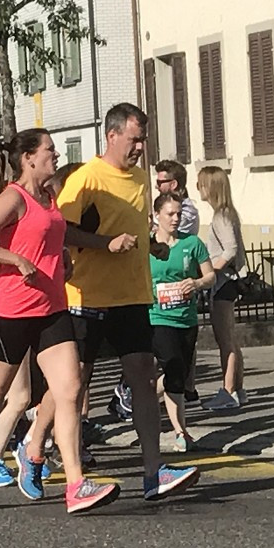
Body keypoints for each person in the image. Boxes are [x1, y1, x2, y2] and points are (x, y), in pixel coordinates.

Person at [0, 129, 119, 514]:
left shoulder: (48, 196)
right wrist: (15, 260)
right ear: (28, 159)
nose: (55, 155)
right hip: (11, 311)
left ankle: (75, 483)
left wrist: (81, 252)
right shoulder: (12, 198)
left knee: (69, 389)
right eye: (49, 150)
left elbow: (58, 231)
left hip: (51, 308)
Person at [54, 103, 199, 501]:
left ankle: (153, 473)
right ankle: (39, 452)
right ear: (112, 135)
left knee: (142, 376)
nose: (140, 148)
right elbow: (61, 232)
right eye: (135, 139)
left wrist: (151, 245)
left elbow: (130, 227)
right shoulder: (86, 178)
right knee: (73, 385)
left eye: (144, 140)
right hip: (87, 296)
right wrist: (106, 244)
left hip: (133, 295)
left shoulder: (139, 179)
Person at [148, 193, 214, 452]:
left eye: (178, 214)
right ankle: (180, 431)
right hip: (157, 317)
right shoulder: (149, 246)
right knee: (174, 370)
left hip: (186, 318)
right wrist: (151, 292)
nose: (175, 219)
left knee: (180, 376)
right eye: (170, 214)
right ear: (157, 216)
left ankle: (144, 399)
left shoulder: (192, 243)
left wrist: (196, 283)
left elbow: (210, 275)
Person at [197, 165, 246, 410]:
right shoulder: (227, 214)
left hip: (223, 282)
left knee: (224, 339)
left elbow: (231, 249)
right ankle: (237, 388)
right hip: (228, 282)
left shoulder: (221, 217)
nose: (199, 189)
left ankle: (227, 391)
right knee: (229, 338)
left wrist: (210, 271)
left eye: (202, 184)